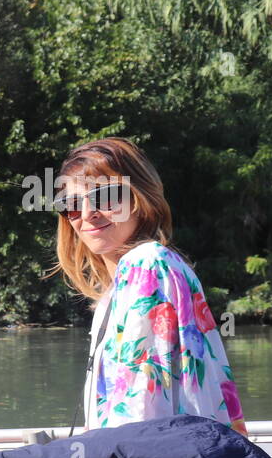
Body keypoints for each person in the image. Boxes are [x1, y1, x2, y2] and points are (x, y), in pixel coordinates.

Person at [46, 137, 247, 436]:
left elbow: (138, 410)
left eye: (104, 198)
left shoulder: (146, 265)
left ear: (140, 199)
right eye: (72, 205)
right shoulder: (144, 273)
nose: (87, 214)